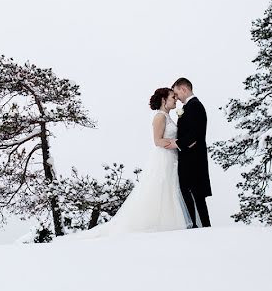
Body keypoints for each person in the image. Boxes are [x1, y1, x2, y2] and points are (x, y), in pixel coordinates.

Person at [60, 88, 191, 239]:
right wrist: (179, 143)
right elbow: (157, 141)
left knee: (170, 189)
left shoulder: (168, 116)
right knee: (161, 188)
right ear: (163, 100)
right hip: (164, 157)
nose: (175, 99)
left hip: (172, 157)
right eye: (172, 97)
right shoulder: (160, 117)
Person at [172, 77, 212, 227]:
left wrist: (177, 143)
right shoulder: (189, 107)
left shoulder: (195, 106)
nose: (176, 97)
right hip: (189, 159)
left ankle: (202, 227)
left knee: (197, 197)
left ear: (184, 89)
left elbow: (195, 134)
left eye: (177, 93)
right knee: (193, 196)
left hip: (194, 161)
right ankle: (197, 226)